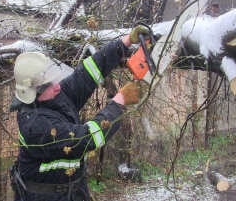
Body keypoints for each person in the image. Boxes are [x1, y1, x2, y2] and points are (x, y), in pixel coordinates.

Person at [10, 25, 151, 201]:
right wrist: (119, 101)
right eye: (50, 84)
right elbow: (86, 138)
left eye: (54, 78)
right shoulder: (36, 126)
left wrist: (125, 41)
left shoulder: (55, 96)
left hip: (73, 193)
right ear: (35, 92)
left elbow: (89, 72)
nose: (58, 85)